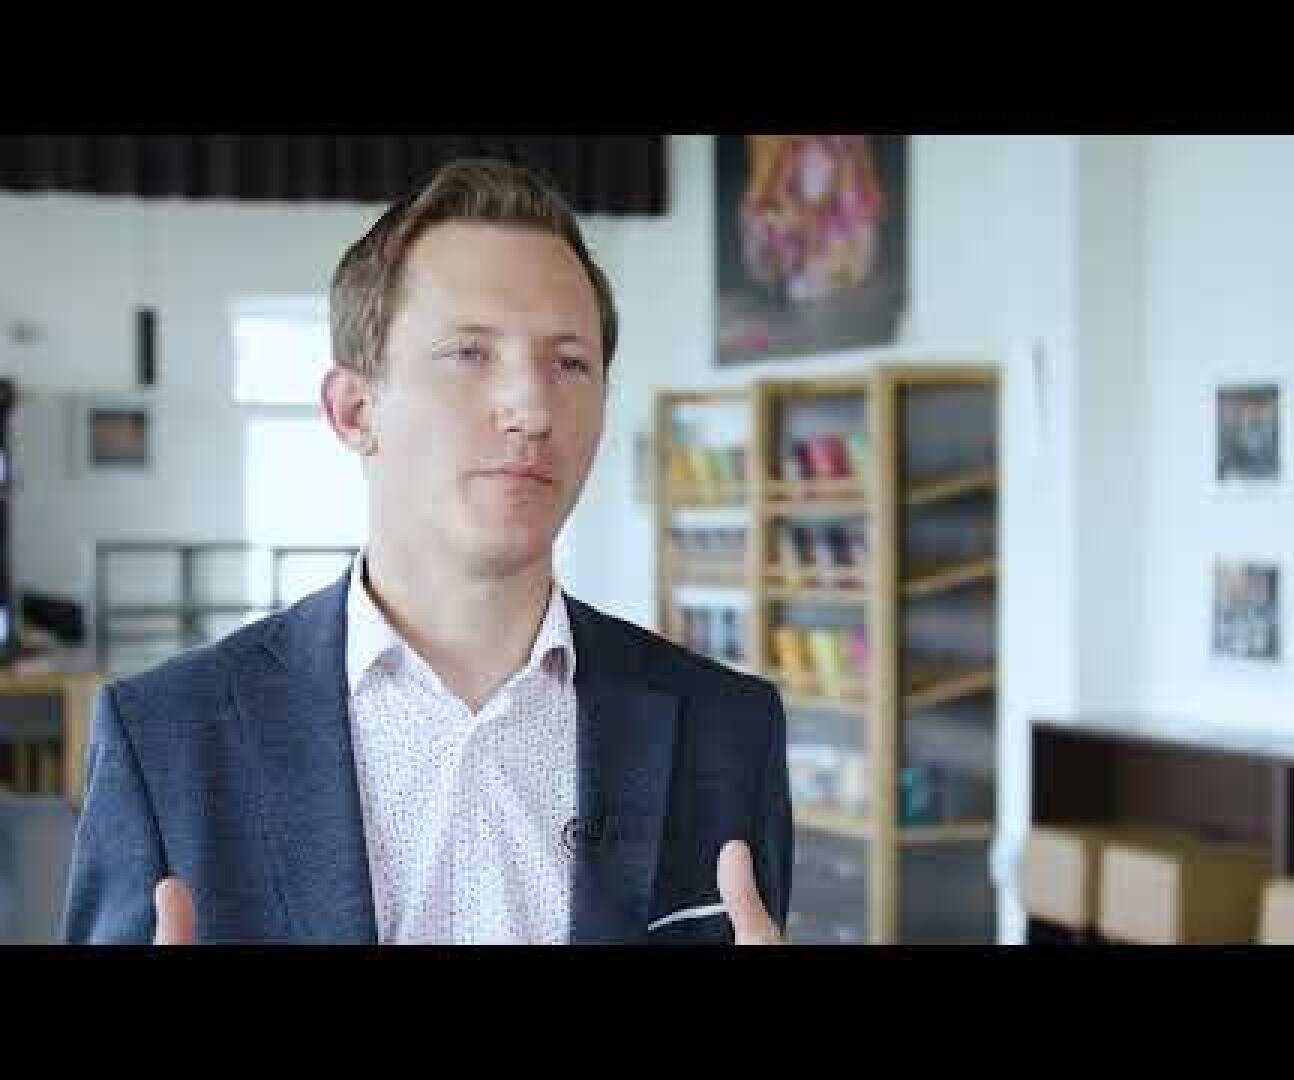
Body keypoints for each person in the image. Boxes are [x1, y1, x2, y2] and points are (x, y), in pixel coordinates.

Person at [61, 158, 792, 945]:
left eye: (570, 363)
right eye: (470, 354)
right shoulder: (166, 740)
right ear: (352, 410)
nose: (532, 407)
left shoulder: (728, 732)